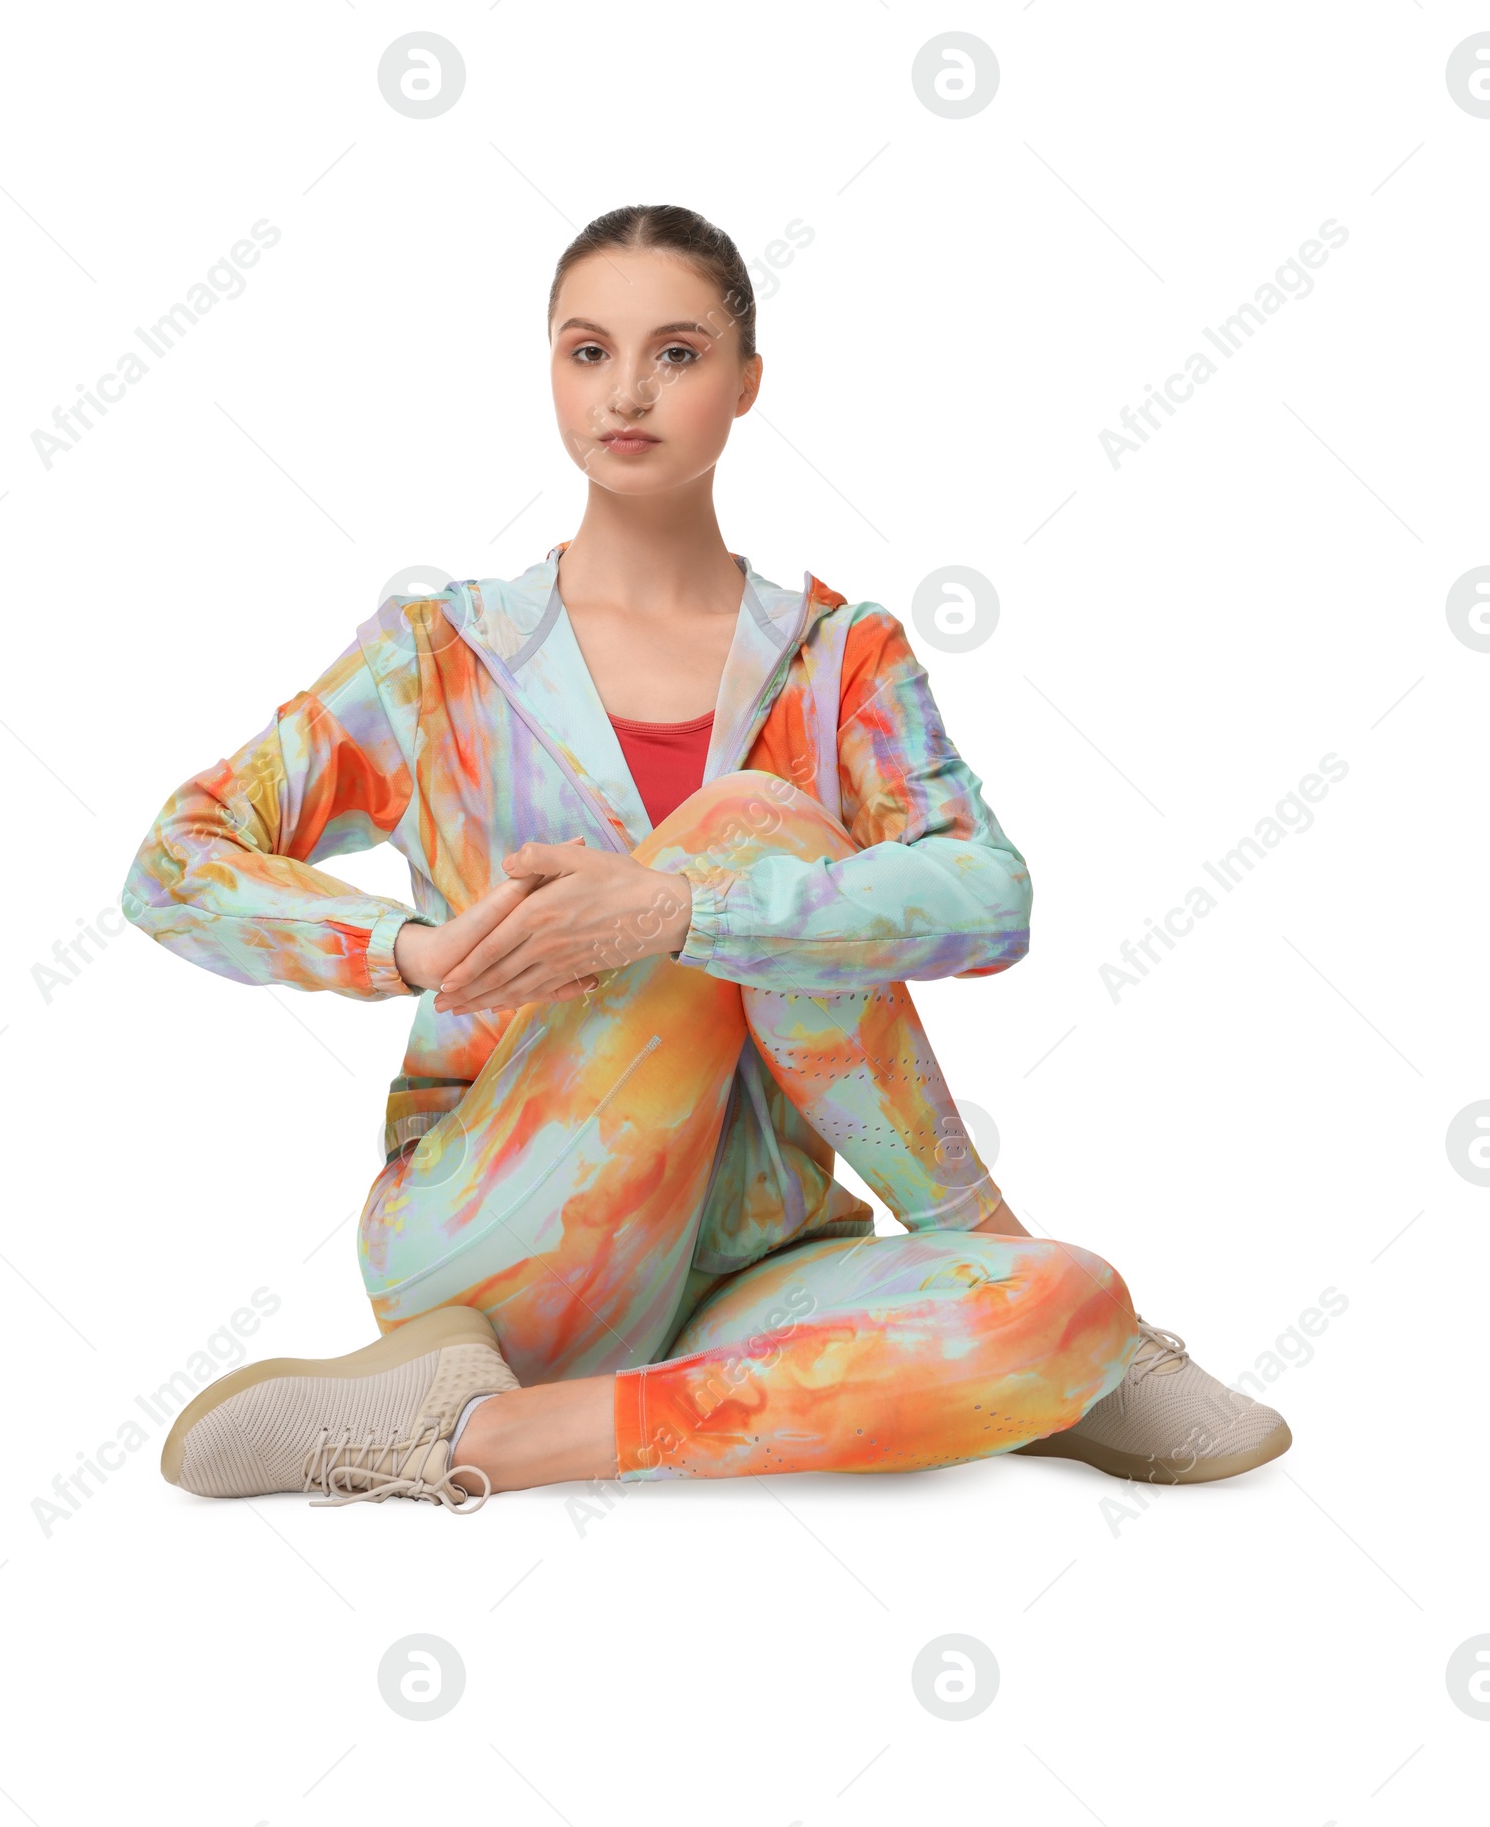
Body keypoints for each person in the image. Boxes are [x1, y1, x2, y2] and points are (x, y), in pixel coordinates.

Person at [122, 203, 1290, 1514]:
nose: (626, 391)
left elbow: (989, 895)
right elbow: (174, 862)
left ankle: (485, 1439)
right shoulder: (441, 661)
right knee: (756, 820)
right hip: (505, 1240)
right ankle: (1008, 1295)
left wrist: (675, 911)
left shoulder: (844, 658)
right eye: (586, 352)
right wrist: (412, 952)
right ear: (551, 372)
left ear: (745, 384)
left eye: (676, 354)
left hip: (754, 1268)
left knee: (1069, 1298)